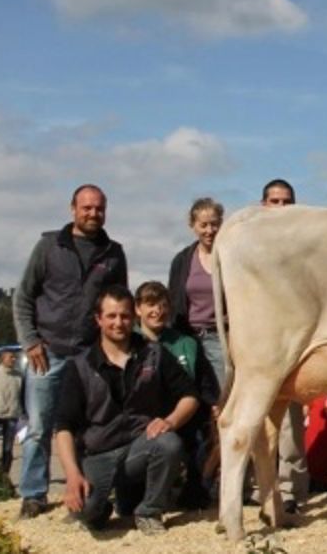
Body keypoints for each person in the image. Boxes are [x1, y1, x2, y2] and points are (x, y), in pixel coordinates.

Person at [13, 184, 128, 518]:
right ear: (73, 209)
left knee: (88, 427)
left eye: (99, 208)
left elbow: (119, 303)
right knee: (39, 426)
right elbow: (23, 296)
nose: (93, 213)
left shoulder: (113, 253)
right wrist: (30, 340)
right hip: (47, 352)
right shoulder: (49, 246)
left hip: (88, 356)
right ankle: (33, 493)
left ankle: (85, 488)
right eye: (86, 207)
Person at [54, 286, 199, 534]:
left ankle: (149, 511)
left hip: (140, 449)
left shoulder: (153, 354)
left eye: (124, 316)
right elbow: (63, 426)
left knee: (169, 443)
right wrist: (72, 474)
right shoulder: (79, 366)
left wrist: (171, 421)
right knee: (88, 513)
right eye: (111, 316)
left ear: (133, 317)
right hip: (97, 455)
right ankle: (102, 507)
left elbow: (190, 396)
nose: (118, 323)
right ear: (98, 319)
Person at [134, 281, 219, 509]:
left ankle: (196, 490)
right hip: (139, 419)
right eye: (151, 304)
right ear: (138, 309)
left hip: (182, 415)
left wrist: (214, 404)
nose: (158, 311)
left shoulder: (186, 343)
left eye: (163, 305)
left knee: (204, 432)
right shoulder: (128, 342)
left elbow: (203, 381)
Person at [258, 178, 309, 514]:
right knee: (249, 415)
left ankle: (289, 489)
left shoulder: (303, 252)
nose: (281, 207)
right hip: (253, 339)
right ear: (263, 205)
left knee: (289, 420)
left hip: (292, 338)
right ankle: (259, 488)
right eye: (275, 201)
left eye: (286, 202)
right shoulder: (250, 247)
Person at [168, 198, 225, 386]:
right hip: (187, 337)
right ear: (193, 225)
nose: (210, 230)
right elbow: (173, 300)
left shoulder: (229, 258)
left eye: (214, 224)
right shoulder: (182, 260)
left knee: (220, 393)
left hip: (220, 339)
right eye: (204, 225)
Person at [0, 350, 23, 476]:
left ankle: (4, 476)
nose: (13, 359)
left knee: (8, 448)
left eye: (14, 357)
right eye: (10, 357)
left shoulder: (19, 376)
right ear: (2, 359)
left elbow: (22, 396)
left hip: (12, 415)